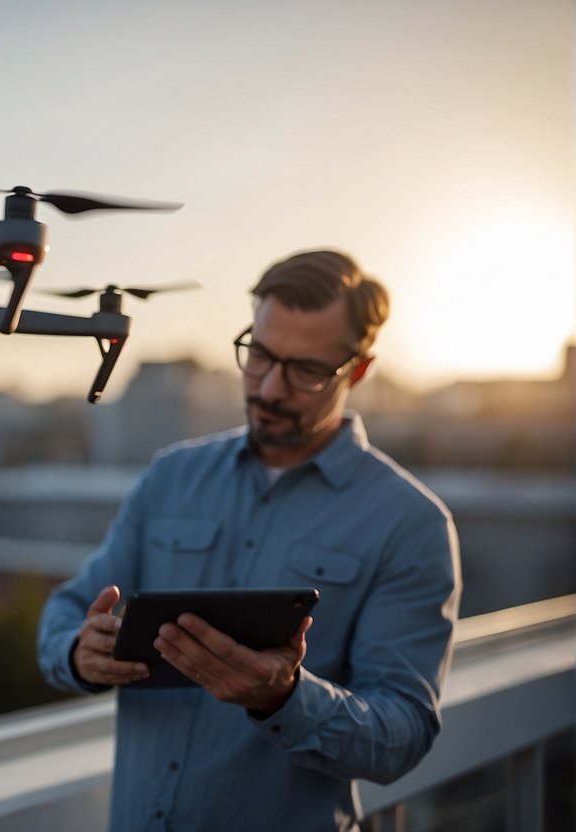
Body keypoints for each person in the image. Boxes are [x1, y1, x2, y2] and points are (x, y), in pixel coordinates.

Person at [37, 249, 461, 832]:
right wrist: (76, 652)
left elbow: (402, 736)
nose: (270, 387)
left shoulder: (410, 524)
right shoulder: (170, 477)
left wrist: (283, 697)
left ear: (357, 370)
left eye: (306, 369)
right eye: (258, 355)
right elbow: (65, 610)